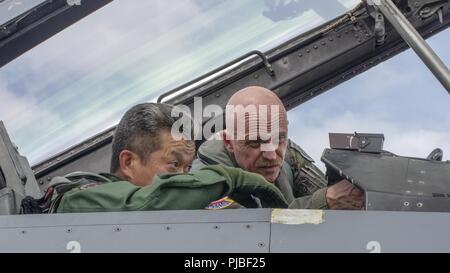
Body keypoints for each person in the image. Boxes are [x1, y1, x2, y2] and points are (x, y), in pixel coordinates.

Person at [56, 103, 288, 213]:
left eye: (188, 168)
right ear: (128, 162)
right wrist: (233, 177)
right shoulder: (81, 201)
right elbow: (147, 202)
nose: (184, 178)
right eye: (174, 164)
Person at [192, 86, 364, 210]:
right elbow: (254, 233)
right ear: (229, 142)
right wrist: (323, 201)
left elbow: (331, 193)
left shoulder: (290, 156)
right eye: (255, 142)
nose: (271, 155)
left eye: (278, 139)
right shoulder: (204, 184)